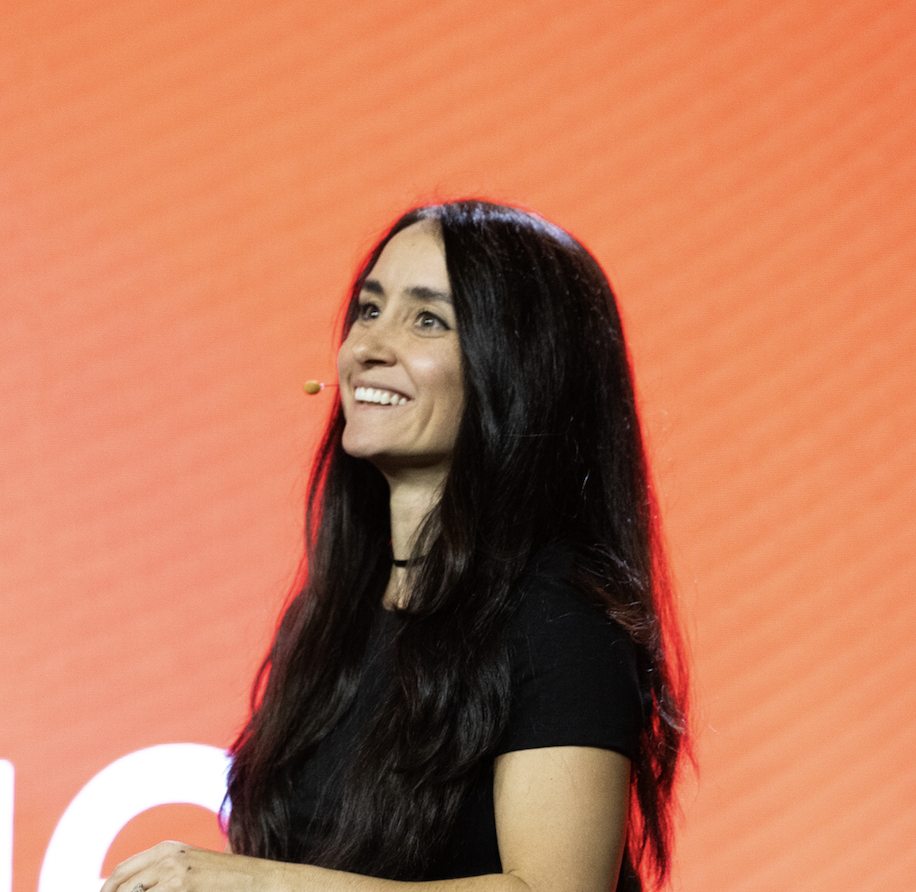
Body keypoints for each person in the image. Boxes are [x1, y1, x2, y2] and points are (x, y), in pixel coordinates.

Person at [102, 200, 690, 892]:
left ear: (521, 368)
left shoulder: (560, 618)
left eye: (428, 320)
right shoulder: (337, 614)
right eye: (369, 309)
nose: (367, 348)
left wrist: (258, 885)